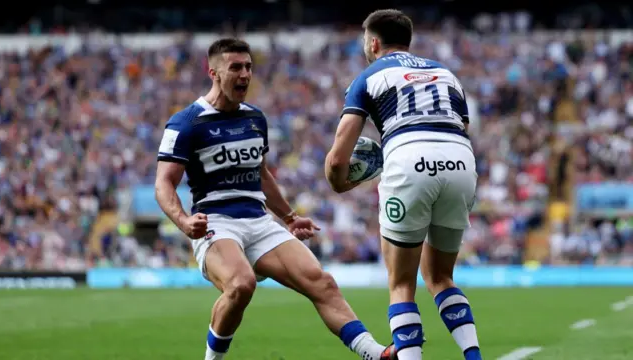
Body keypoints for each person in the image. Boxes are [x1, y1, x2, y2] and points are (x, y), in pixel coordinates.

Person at [155, 38, 395, 360]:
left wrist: (289, 217)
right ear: (213, 72)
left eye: (249, 67)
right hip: (217, 223)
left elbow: (262, 174)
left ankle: (375, 353)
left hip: (258, 221)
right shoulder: (186, 123)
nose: (245, 75)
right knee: (241, 285)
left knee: (321, 281)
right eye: (235, 68)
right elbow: (164, 184)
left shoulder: (255, 118)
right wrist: (184, 221)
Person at [325, 9, 483, 360]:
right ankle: (474, 355)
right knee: (441, 277)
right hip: (460, 160)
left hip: (409, 159)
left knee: (401, 284)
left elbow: (338, 158)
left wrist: (340, 182)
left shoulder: (369, 76)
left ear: (374, 42)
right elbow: (463, 128)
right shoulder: (447, 74)